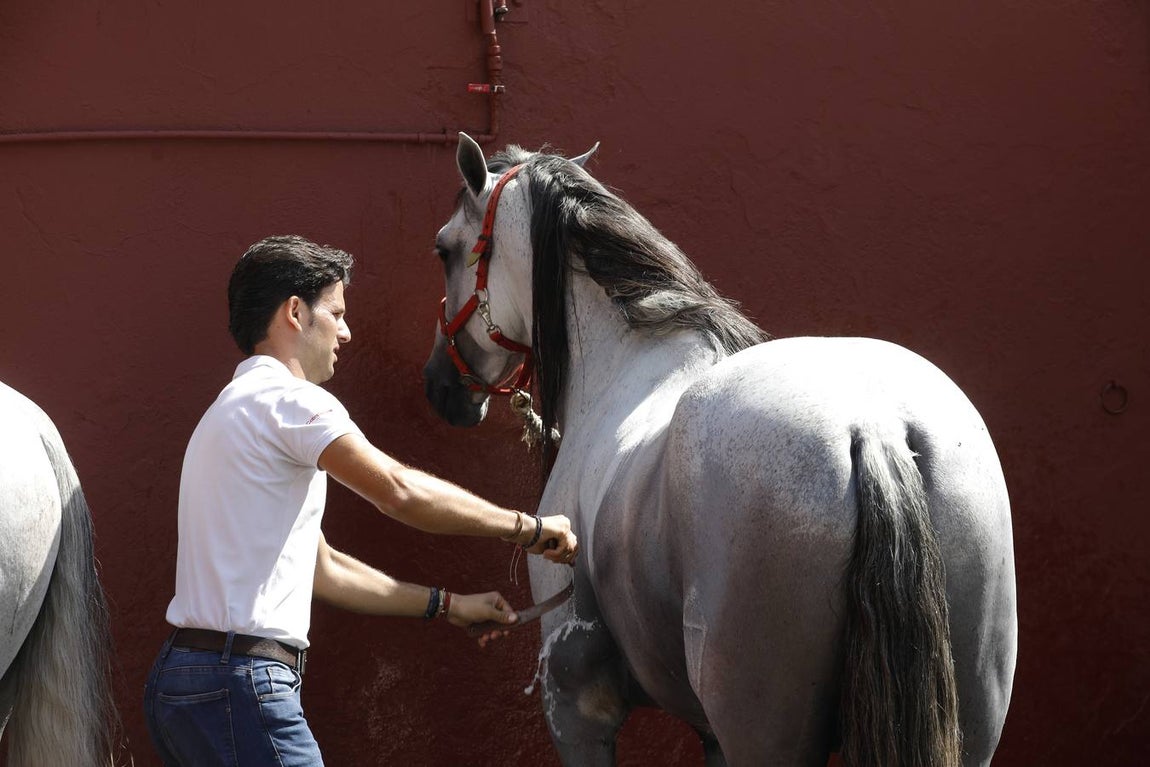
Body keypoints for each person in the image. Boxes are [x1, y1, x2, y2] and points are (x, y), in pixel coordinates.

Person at [143, 234, 578, 766]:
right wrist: (528, 529)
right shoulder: (293, 401)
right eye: (338, 313)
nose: (346, 332)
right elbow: (398, 490)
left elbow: (322, 568)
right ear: (296, 313)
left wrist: (448, 605)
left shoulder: (228, 410)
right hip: (243, 684)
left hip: (183, 683)